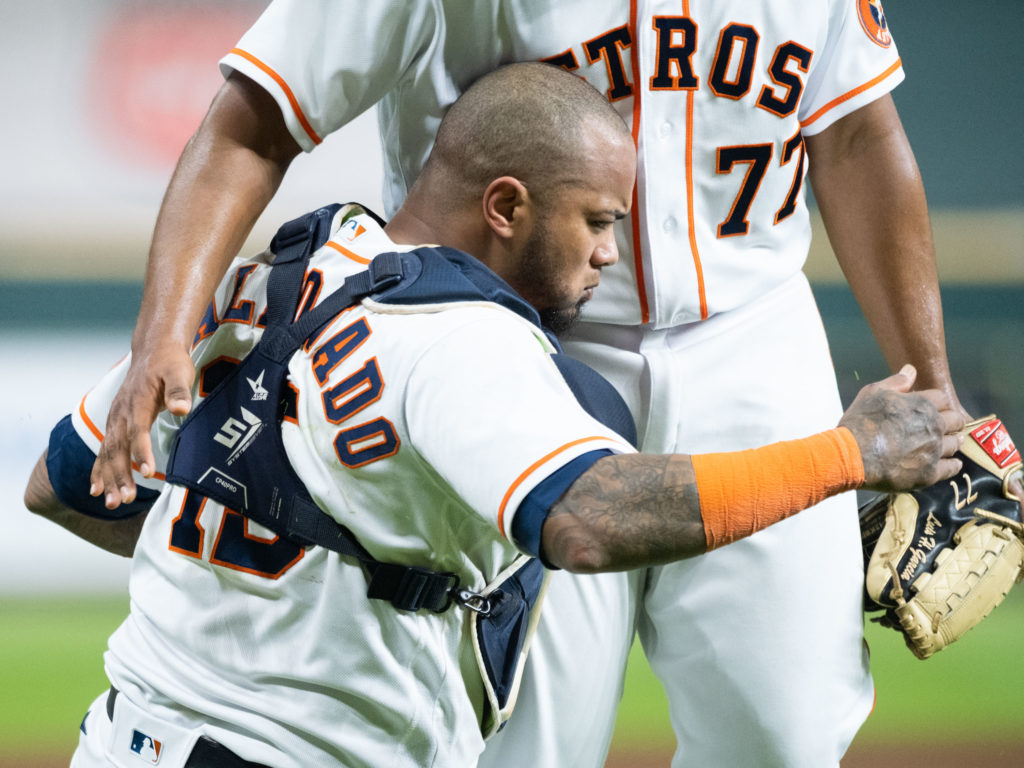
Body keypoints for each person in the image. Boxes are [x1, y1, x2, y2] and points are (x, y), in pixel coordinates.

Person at [81, 3, 994, 766]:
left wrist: (934, 405)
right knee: (525, 743)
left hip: (755, 332)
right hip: (512, 340)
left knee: (787, 734)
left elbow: (859, 136)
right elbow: (252, 118)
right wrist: (162, 332)